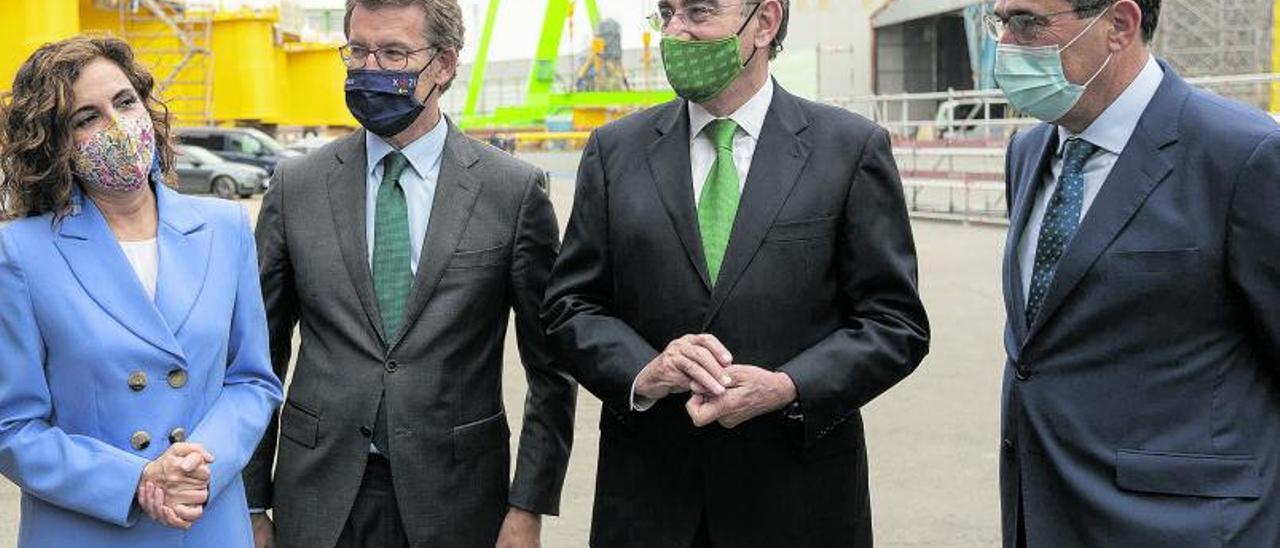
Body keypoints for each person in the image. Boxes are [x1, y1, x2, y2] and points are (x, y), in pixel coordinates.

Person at [541, 1, 931, 546]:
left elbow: (895, 323)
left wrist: (790, 387)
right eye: (666, 12)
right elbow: (569, 307)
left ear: (765, 23)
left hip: (798, 503)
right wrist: (643, 371)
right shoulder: (615, 151)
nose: (675, 31)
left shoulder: (849, 149)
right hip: (650, 505)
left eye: (698, 11)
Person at [245, 1, 577, 547]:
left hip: (460, 501)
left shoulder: (512, 192)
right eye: (357, 50)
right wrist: (253, 499)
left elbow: (551, 369)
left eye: (394, 53)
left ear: (444, 64)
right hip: (318, 499)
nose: (369, 67)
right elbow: (259, 356)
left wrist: (528, 507)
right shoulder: (295, 187)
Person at [990, 1, 1280, 545]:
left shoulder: (1242, 155)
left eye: (1028, 23)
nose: (1005, 45)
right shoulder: (1028, 152)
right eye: (1000, 22)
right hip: (1045, 510)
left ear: (1119, 25)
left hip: (1183, 527)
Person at [0, 36, 283, 547]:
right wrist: (138, 480)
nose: (116, 125)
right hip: (87, 528)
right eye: (86, 118)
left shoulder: (225, 228)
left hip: (205, 520)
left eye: (124, 102)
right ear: (54, 143)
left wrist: (197, 465)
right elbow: (13, 426)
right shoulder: (20, 253)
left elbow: (252, 381)